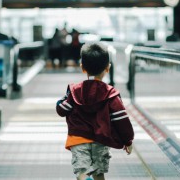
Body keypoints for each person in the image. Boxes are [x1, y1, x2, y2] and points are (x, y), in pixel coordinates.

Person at [56, 42, 134, 180]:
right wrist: (128, 140)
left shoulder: (75, 91)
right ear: (108, 68)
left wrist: (62, 99)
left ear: (82, 68)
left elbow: (62, 110)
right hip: (101, 138)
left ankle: (85, 178)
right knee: (99, 173)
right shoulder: (111, 94)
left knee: (82, 171)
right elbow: (121, 119)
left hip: (78, 138)